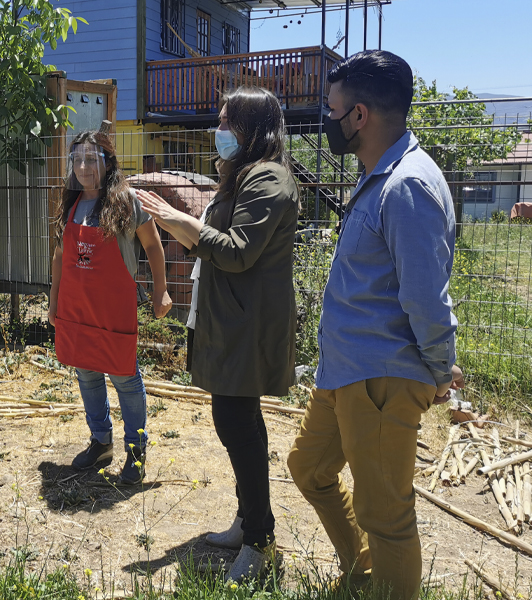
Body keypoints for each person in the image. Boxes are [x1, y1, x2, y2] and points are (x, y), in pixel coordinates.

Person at [286, 50, 464, 600]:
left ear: (359, 115)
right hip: (345, 372)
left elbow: (424, 299)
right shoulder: (379, 177)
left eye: (332, 108)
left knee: (385, 513)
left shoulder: (406, 185)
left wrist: (438, 370)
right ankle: (363, 572)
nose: (327, 117)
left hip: (382, 378)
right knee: (309, 467)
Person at [137, 87, 299, 583]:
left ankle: (260, 542)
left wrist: (176, 219)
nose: (220, 128)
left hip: (248, 326)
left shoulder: (268, 179)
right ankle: (249, 521)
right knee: (242, 424)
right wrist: (178, 222)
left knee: (237, 425)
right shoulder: (244, 175)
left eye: (228, 120)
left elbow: (236, 252)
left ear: (252, 128)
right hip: (234, 320)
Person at [49, 125, 172, 485]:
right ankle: (100, 442)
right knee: (86, 372)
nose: (84, 167)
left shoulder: (125, 201)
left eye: (92, 159)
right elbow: (59, 256)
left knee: (125, 378)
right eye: (78, 159)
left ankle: (135, 452)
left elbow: (152, 246)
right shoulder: (70, 202)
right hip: (77, 309)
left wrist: (161, 290)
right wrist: (54, 301)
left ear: (108, 162)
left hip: (113, 309)